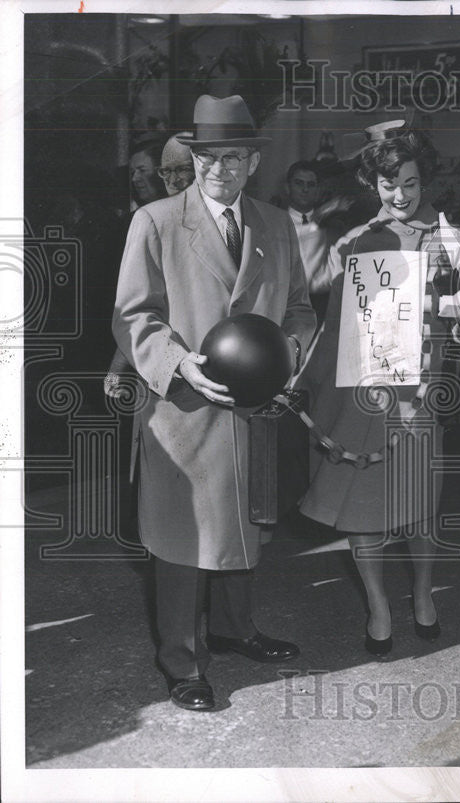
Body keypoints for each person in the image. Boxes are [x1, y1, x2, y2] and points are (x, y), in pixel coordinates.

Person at [112, 95, 316, 711]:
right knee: (182, 538)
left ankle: (235, 629)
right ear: (193, 158)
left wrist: (286, 355)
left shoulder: (277, 224)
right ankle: (181, 659)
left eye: (232, 158)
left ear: (252, 163)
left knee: (247, 523)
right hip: (184, 407)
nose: (218, 170)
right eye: (207, 158)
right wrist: (179, 364)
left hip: (254, 408)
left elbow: (301, 309)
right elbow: (132, 316)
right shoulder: (155, 221)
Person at [296, 123, 460, 657]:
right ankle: (377, 604)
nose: (400, 195)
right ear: (371, 183)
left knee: (417, 502)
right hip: (363, 391)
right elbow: (325, 320)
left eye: (410, 183)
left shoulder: (448, 239)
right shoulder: (354, 242)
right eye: (388, 183)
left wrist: (458, 283)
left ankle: (423, 592)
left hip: (419, 394)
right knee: (361, 506)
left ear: (426, 182)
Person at [106, 134, 196, 398]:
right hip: (145, 351)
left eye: (142, 170)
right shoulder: (140, 222)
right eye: (132, 172)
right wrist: (117, 366)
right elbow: (135, 305)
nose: (135, 179)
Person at [285, 160, 335, 320]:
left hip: (325, 308)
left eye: (311, 184)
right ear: (287, 187)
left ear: (318, 190)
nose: (305, 189)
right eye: (299, 183)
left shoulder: (335, 223)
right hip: (287, 308)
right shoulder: (274, 222)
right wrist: (316, 222)